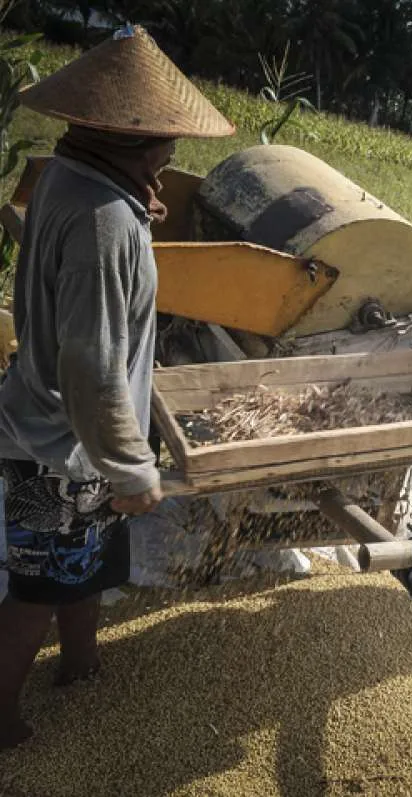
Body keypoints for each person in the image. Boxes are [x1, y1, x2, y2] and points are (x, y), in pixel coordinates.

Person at [0, 25, 234, 749]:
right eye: (165, 142)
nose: (172, 155)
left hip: (82, 444)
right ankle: (2, 711)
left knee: (89, 564)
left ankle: (82, 666)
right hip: (60, 447)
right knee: (38, 584)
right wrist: (132, 467)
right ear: (129, 138)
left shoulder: (69, 179)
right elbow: (91, 363)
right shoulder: (107, 224)